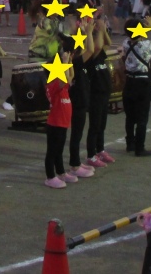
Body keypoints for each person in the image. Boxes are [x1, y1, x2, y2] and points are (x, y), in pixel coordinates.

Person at [122, 16, 151, 157]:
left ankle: (130, 144)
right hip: (142, 83)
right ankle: (139, 148)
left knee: (130, 116)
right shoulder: (146, 46)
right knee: (142, 117)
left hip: (129, 82)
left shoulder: (125, 43)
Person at [82, 15, 116, 168]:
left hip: (104, 92)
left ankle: (100, 149)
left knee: (102, 124)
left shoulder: (100, 53)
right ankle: (91, 155)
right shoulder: (90, 56)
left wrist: (103, 30)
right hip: (95, 93)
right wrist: (100, 29)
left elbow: (107, 43)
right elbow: (96, 47)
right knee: (95, 125)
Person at [66, 14, 96, 178]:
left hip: (80, 99)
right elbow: (90, 50)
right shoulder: (75, 61)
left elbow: (86, 49)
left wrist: (84, 32)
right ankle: (74, 165)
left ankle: (76, 161)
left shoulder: (76, 58)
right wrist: (88, 33)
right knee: (76, 134)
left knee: (77, 133)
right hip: (77, 100)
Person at [43, 49, 74, 188]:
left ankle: (61, 172)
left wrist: (69, 62)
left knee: (59, 150)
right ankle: (50, 177)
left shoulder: (61, 85)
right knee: (52, 151)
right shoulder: (53, 85)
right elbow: (65, 79)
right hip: (55, 123)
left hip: (62, 123)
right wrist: (65, 63)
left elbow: (70, 77)